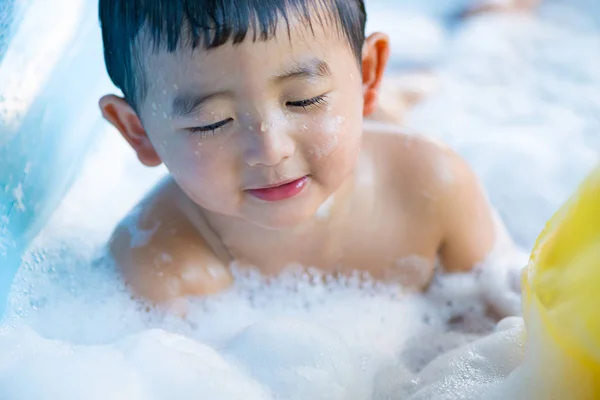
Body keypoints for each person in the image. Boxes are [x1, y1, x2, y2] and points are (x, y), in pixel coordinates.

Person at [98, 0, 497, 311]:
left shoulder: (431, 187)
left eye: (304, 100)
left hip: (384, 112)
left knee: (449, 69)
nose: (270, 151)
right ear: (139, 133)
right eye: (211, 123)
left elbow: (498, 334)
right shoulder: (157, 267)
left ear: (367, 75)